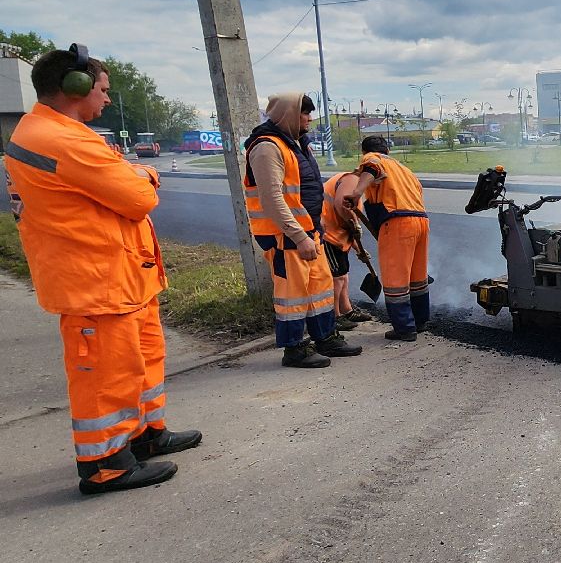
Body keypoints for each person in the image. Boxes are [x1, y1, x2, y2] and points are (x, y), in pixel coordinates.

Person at [3, 45, 202, 496]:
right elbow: (138, 198)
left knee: (140, 360)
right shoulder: (63, 140)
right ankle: (105, 464)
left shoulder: (50, 133)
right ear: (75, 87)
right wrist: (146, 177)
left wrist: (130, 176)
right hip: (95, 281)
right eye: (103, 90)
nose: (108, 99)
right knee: (106, 374)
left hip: (119, 275)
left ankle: (145, 435)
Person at [243, 93, 363, 368]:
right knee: (293, 297)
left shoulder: (297, 145)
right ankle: (294, 348)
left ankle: (325, 337)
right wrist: (298, 236)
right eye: (305, 113)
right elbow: (272, 198)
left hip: (310, 232)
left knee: (319, 289)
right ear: (288, 115)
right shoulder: (267, 148)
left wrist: (314, 229)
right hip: (286, 237)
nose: (309, 118)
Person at [344, 135, 429, 342]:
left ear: (364, 151)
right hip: (421, 221)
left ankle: (405, 329)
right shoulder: (404, 169)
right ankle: (420, 321)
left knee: (395, 280)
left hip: (397, 222)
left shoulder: (372, 159)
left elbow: (371, 168)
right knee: (417, 278)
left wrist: (356, 193)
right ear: (388, 150)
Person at [321, 169, 371, 330]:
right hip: (328, 235)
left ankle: (347, 310)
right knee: (337, 278)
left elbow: (350, 228)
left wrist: (359, 250)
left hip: (338, 235)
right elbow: (342, 205)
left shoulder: (354, 185)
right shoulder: (352, 180)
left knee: (343, 275)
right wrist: (355, 223)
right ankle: (335, 316)